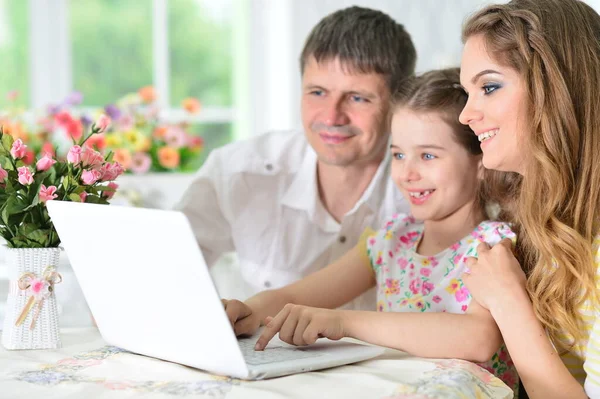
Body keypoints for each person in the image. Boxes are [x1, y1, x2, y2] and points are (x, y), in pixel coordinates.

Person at [222, 68, 519, 391]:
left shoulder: (495, 246)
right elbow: (293, 295)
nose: (407, 173)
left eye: (428, 155)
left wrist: (342, 321)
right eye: (399, 155)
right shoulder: (391, 241)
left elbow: (477, 338)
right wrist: (248, 311)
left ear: (480, 163)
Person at [175, 6, 416, 309]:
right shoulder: (237, 171)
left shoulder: (426, 190)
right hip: (267, 353)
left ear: (400, 102)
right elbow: (164, 269)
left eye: (357, 98)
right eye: (317, 92)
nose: (331, 116)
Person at [458, 0, 600, 397]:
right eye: (467, 92)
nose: (465, 115)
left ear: (558, 89)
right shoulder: (536, 219)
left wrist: (508, 301)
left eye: (488, 87)